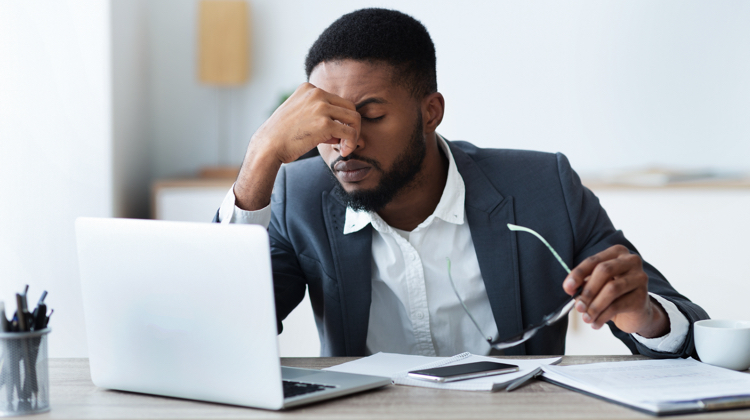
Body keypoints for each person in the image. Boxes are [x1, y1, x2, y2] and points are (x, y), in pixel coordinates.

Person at [214, 8, 708, 357]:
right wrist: (261, 156)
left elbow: (693, 335)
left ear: (431, 113)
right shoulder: (298, 197)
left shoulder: (543, 188)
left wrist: (645, 315)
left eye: (372, 115)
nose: (346, 144)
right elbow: (225, 335)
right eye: (330, 121)